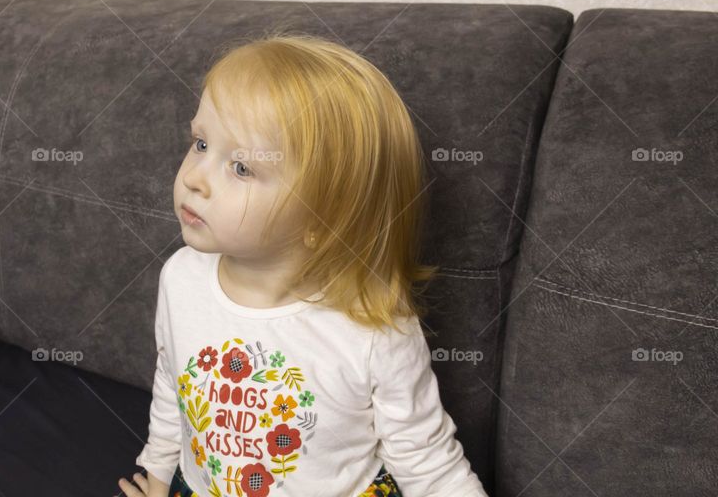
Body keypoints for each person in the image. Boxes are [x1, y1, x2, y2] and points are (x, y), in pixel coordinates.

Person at [118, 33, 488, 497]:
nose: (193, 178)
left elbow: (429, 463)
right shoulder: (181, 276)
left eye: (241, 168)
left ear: (323, 220)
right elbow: (174, 383)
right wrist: (156, 476)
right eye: (200, 143)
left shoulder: (374, 326)